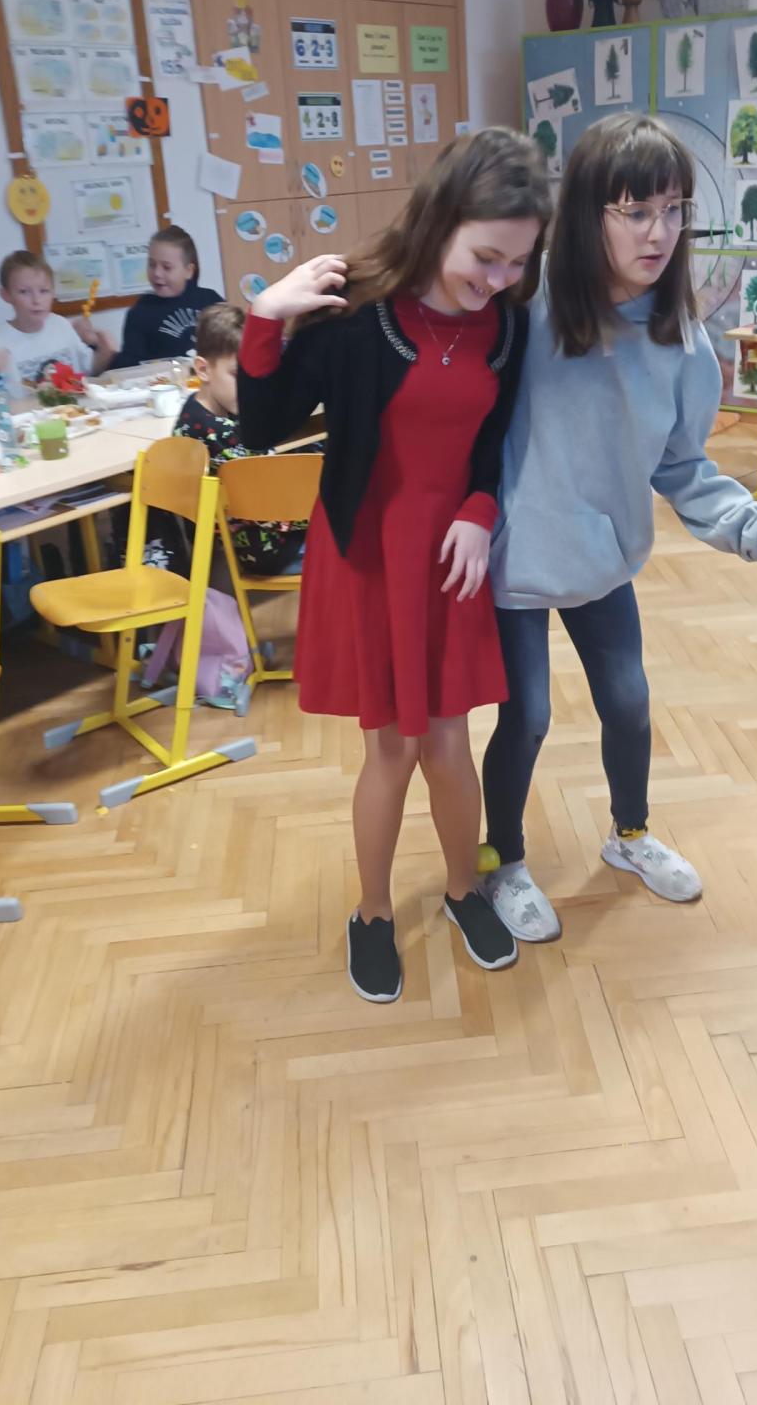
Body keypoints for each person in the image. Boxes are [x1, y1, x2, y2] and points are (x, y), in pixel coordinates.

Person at [480, 113, 757, 942]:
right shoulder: (526, 303)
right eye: (637, 211)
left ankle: (630, 835)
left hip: (604, 559)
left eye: (675, 210)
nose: (660, 232)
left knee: (630, 704)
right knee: (526, 717)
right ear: (590, 214)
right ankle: (504, 860)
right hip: (514, 558)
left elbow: (683, 467)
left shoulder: (681, 339)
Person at [238, 127, 552, 1003]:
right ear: (441, 219)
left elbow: (494, 439)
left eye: (517, 263)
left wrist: (481, 511)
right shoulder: (357, 313)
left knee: (448, 744)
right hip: (371, 557)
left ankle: (462, 890)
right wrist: (266, 316)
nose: (499, 279)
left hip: (452, 560)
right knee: (393, 749)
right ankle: (372, 912)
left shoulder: (508, 324)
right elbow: (262, 425)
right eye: (485, 257)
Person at [174, 300, 313, 577]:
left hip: (242, 542)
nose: (249, 387)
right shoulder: (221, 435)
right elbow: (274, 510)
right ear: (203, 370)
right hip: (267, 550)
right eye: (237, 375)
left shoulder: (194, 412)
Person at [0, 251, 114, 405]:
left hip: (73, 414)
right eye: (24, 292)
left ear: (53, 293)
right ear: (6, 295)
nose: (36, 300)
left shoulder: (60, 325)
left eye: (44, 291)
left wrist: (105, 351)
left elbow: (90, 372)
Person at [115, 226, 221, 367]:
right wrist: (105, 351)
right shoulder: (141, 311)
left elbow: (233, 346)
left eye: (167, 267)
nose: (157, 273)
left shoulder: (211, 300)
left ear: (189, 271)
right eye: (152, 265)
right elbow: (129, 366)